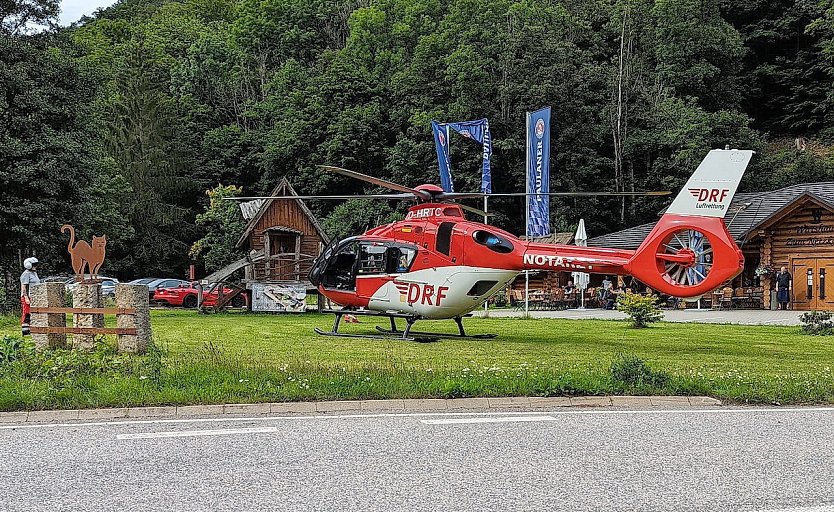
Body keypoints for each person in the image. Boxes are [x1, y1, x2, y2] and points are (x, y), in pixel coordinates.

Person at [20, 257, 40, 336]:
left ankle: (32, 329)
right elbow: (24, 287)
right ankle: (25, 331)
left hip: (34, 296)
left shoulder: (34, 273)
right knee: (27, 313)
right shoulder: (26, 274)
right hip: (28, 296)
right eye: (34, 265)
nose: (36, 266)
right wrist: (26, 297)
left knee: (32, 312)